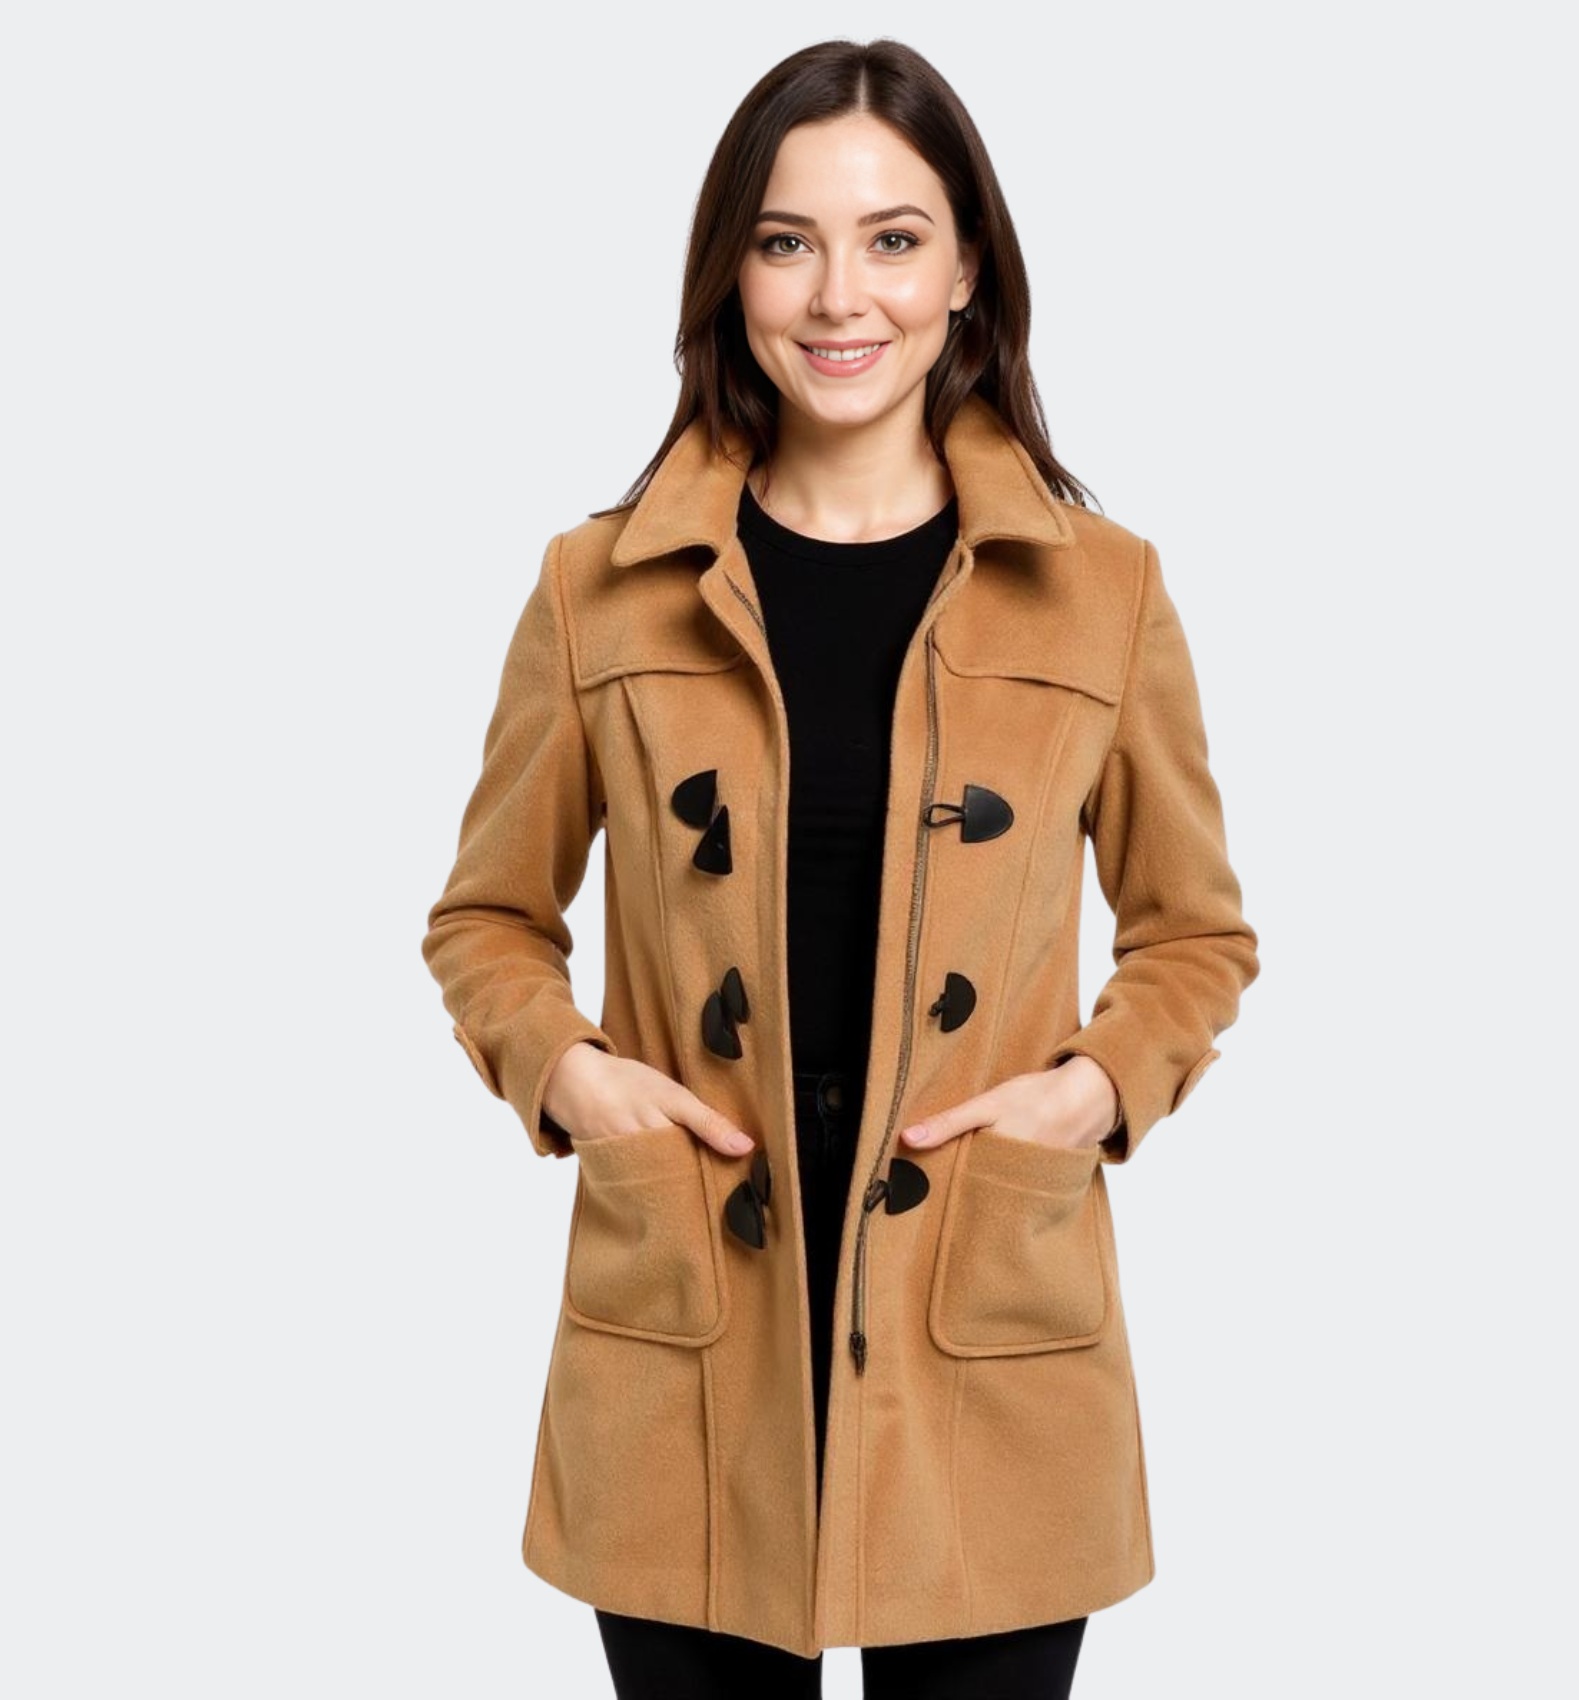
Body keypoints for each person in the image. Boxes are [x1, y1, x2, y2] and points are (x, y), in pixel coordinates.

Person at [421, 36, 1259, 1700]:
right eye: (787, 240)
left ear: (966, 272)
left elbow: (1194, 937)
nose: (837, 295)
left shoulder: (1105, 591)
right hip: (687, 1327)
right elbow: (489, 918)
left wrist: (1093, 1094)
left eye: (892, 238)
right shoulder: (598, 587)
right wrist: (573, 1075)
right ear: (732, 273)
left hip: (987, 1319)